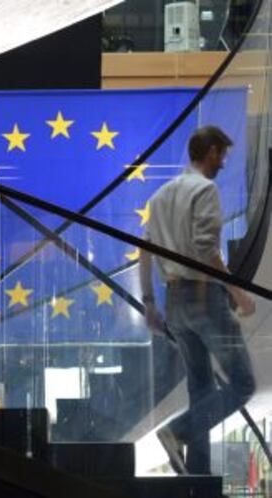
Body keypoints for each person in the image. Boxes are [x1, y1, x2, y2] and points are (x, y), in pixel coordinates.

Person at [139, 126, 256, 475]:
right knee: (242, 383)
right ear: (212, 152)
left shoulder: (160, 195)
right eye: (222, 155)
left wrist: (148, 301)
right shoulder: (205, 190)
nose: (223, 162)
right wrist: (237, 292)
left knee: (201, 389)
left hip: (173, 301)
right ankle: (178, 431)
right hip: (203, 296)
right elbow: (205, 249)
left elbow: (145, 250)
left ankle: (198, 474)